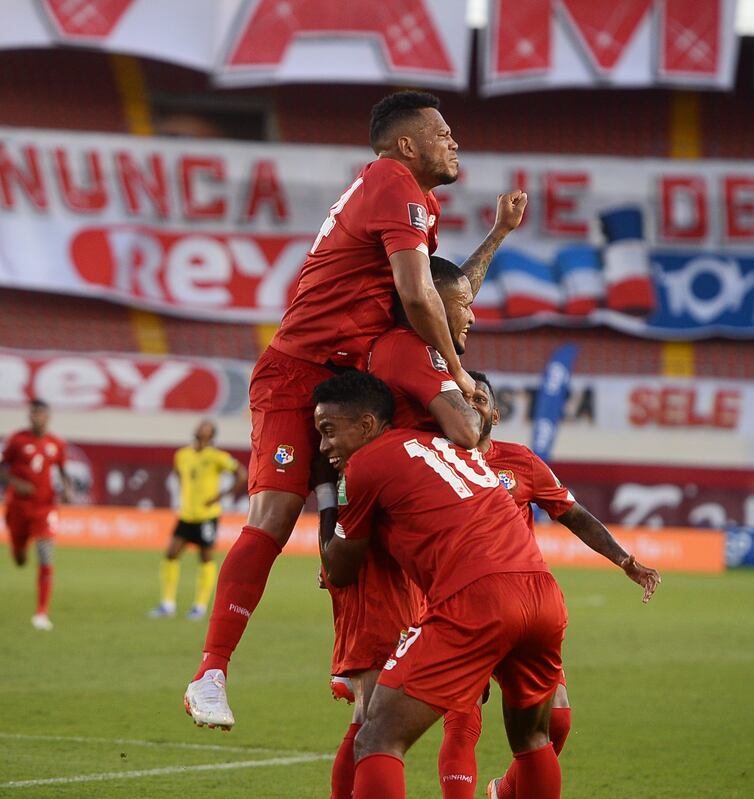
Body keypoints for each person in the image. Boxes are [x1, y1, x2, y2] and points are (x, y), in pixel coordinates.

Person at [184, 89, 527, 730]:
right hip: (299, 372)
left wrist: (498, 234)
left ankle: (360, 658)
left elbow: (448, 292)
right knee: (276, 513)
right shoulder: (396, 187)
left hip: (352, 376)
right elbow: (422, 296)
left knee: (359, 510)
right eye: (442, 132)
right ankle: (211, 673)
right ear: (406, 144)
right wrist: (458, 374)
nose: (454, 142)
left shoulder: (412, 197)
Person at [315, 371, 567, 799]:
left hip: (477, 598)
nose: (324, 446)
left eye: (328, 431)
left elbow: (339, 569)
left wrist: (324, 493)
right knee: (533, 740)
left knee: (377, 738)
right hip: (542, 593)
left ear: (366, 425)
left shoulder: (366, 464)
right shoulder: (453, 445)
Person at [459, 370, 661, 799]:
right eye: (464, 398)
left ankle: (503, 790)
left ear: (495, 412)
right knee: (464, 719)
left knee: (558, 721)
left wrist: (623, 559)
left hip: (523, 604)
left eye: (480, 399)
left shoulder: (521, 462)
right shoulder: (437, 458)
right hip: (463, 604)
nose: (472, 404)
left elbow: (573, 513)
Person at [324, 254, 481, 798]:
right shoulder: (410, 350)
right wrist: (467, 393)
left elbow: (450, 292)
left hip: (406, 544)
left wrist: (498, 235)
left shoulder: (412, 346)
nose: (472, 316)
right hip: (383, 545)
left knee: (377, 718)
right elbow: (465, 431)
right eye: (464, 307)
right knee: (374, 717)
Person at [149, 420, 246, 620]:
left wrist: (220, 496)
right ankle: (167, 604)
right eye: (201, 426)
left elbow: (241, 474)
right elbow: (178, 475)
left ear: (211, 435)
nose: (201, 428)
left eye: (206, 427)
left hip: (206, 517)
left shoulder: (217, 457)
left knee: (205, 558)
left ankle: (199, 607)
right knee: (171, 553)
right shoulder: (182, 455)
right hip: (186, 514)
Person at [0, 399, 71, 632]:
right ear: (30, 417)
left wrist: (68, 490)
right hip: (19, 507)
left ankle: (41, 613)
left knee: (46, 554)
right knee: (20, 559)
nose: (38, 418)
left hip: (45, 507)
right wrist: (15, 483)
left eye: (42, 414)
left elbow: (63, 471)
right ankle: (18, 547)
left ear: (48, 417)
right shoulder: (17, 441)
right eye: (35, 414)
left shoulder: (56, 444)